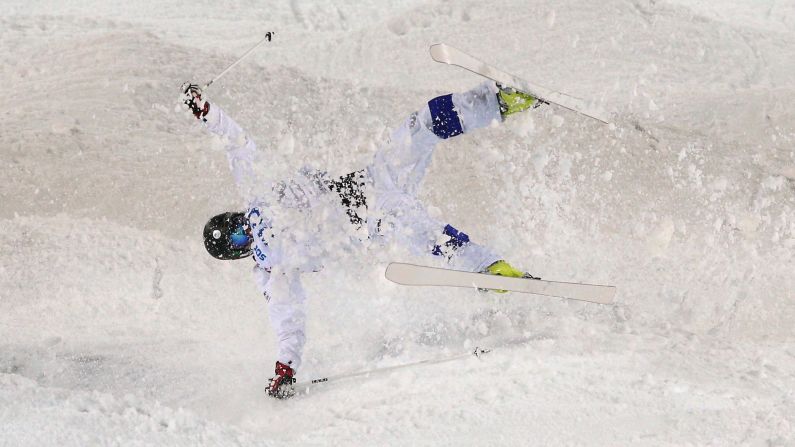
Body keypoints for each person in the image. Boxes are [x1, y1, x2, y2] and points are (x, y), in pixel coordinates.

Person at [180, 79, 542, 399]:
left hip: (371, 180)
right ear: (239, 254)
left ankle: (500, 102)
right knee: (426, 234)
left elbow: (237, 144)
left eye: (240, 226)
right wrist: (286, 367)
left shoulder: (255, 193)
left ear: (236, 215)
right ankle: (493, 271)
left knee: (423, 124)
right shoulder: (271, 269)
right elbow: (288, 318)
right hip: (372, 219)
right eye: (241, 240)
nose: (248, 233)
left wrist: (207, 112)